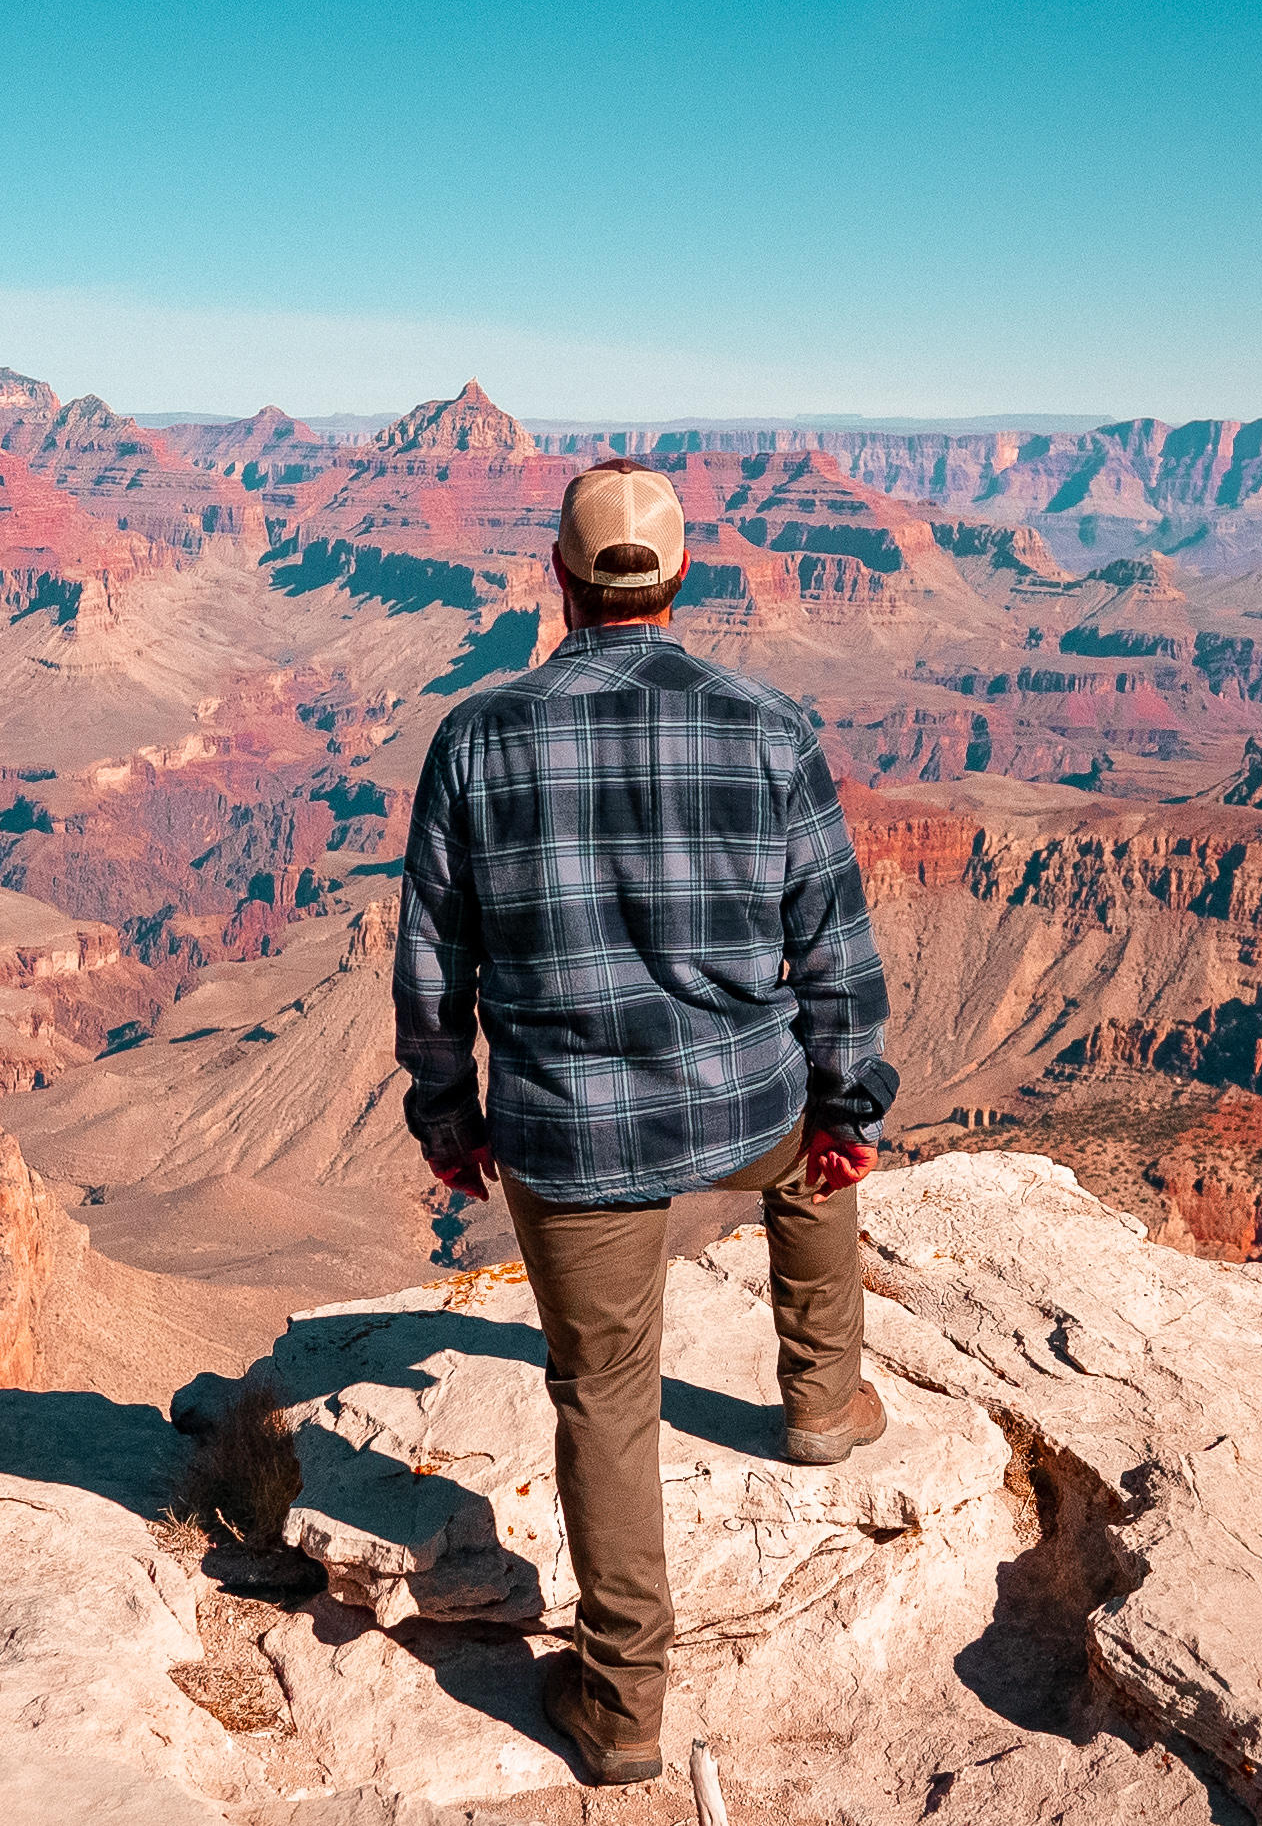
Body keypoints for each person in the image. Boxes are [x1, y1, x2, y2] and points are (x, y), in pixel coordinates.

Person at [393, 456, 903, 1789]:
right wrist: (847, 1107)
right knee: (815, 1164)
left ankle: (622, 1707)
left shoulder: (478, 737)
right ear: (680, 577)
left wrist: (450, 1117)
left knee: (605, 1397)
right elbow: (836, 960)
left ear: (559, 582)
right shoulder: (770, 727)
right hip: (746, 1105)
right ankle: (819, 1401)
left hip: (571, 1135)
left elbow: (433, 965)